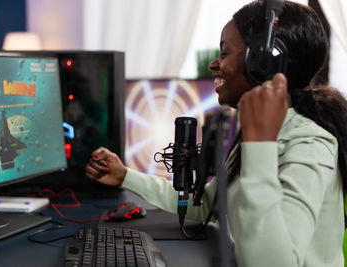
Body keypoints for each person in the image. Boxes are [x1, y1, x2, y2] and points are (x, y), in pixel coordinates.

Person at [85, 1, 347, 266]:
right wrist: (125, 176)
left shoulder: (309, 145)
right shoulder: (260, 136)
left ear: (264, 64)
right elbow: (207, 204)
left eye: (225, 53)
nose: (213, 64)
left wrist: (260, 144)